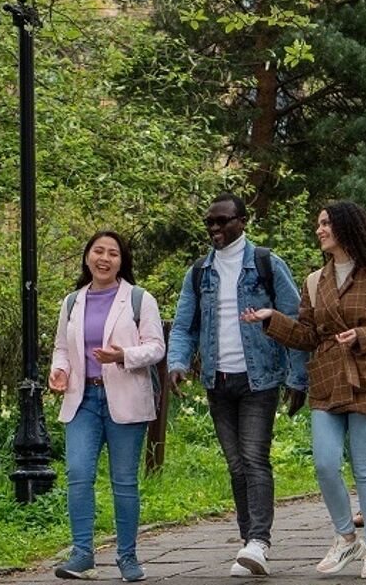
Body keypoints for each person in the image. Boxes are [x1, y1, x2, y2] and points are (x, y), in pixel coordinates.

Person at [243, 201, 366, 580]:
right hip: (328, 380)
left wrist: (364, 335)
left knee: (365, 466)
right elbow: (306, 335)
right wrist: (273, 319)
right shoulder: (315, 280)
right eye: (318, 224)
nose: (319, 230)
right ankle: (345, 537)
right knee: (324, 463)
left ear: (346, 229)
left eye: (325, 224)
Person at [166, 193, 307, 578]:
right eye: (209, 222)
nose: (214, 228)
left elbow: (294, 322)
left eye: (222, 221)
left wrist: (298, 378)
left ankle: (259, 540)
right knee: (235, 464)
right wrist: (177, 362)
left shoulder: (265, 264)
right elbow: (184, 325)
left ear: (242, 221)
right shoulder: (199, 272)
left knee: (253, 458)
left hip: (259, 379)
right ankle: (250, 543)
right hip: (217, 380)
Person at [49, 231, 166, 582]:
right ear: (87, 257)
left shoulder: (139, 300)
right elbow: (62, 348)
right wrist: (59, 371)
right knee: (78, 475)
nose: (104, 258)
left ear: (121, 261)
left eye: (112, 253)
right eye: (98, 251)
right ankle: (82, 554)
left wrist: (123, 356)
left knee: (124, 481)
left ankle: (127, 557)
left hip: (125, 398)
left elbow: (156, 347)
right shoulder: (71, 302)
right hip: (82, 400)